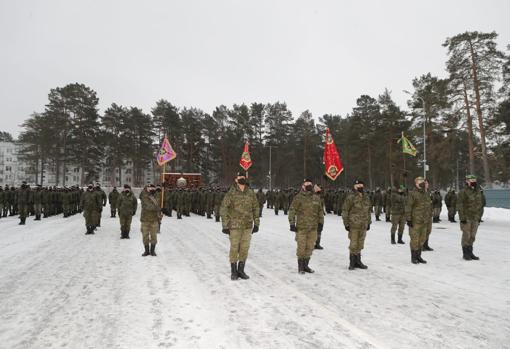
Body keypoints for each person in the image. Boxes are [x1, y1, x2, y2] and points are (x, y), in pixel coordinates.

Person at [220, 172, 260, 281]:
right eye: (239, 178)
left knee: (244, 248)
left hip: (247, 226)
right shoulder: (231, 193)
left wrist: (256, 223)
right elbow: (224, 208)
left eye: (243, 177)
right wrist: (225, 225)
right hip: (234, 226)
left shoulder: (250, 193)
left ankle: (241, 270)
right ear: (236, 180)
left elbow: (256, 208)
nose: (242, 179)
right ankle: (233, 271)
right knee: (234, 248)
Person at [288, 179, 324, 274]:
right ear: (303, 186)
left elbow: (320, 211)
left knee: (310, 247)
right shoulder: (298, 197)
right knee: (301, 247)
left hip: (313, 228)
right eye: (306, 184)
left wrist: (321, 224)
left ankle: (306, 265)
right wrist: (292, 223)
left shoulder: (316, 198)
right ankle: (300, 267)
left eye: (310, 184)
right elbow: (292, 210)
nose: (308, 185)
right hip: (301, 228)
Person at [342, 180, 372, 270]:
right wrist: (346, 224)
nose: (360, 186)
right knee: (354, 244)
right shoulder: (350, 197)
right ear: (354, 186)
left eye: (361, 185)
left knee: (360, 243)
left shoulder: (366, 197)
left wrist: (369, 222)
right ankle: (352, 262)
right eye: (358, 185)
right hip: (353, 224)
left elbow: (368, 211)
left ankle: (358, 261)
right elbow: (345, 211)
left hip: (363, 224)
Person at [405, 177, 431, 264]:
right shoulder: (412, 194)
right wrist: (409, 219)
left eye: (423, 181)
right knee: (415, 239)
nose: (422, 183)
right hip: (415, 221)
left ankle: (419, 256)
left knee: (422, 239)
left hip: (424, 221)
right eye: (420, 181)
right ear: (416, 183)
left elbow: (428, 206)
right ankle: (414, 257)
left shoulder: (425, 193)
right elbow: (408, 207)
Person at [457, 175, 483, 261]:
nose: (473, 181)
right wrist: (462, 217)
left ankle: (470, 252)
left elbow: (480, 205)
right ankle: (465, 254)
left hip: (475, 217)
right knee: (466, 235)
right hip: (466, 217)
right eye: (471, 180)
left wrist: (479, 216)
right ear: (467, 181)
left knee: (472, 236)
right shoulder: (463, 192)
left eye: (474, 179)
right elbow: (459, 205)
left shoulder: (478, 191)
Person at [140, 184, 161, 256]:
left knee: (154, 236)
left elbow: (159, 203)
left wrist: (164, 188)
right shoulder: (144, 195)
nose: (151, 189)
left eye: (152, 188)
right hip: (145, 219)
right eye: (149, 188)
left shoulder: (157, 195)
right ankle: (146, 251)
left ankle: (152, 251)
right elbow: (148, 207)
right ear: (147, 188)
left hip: (154, 220)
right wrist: (156, 208)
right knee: (145, 236)